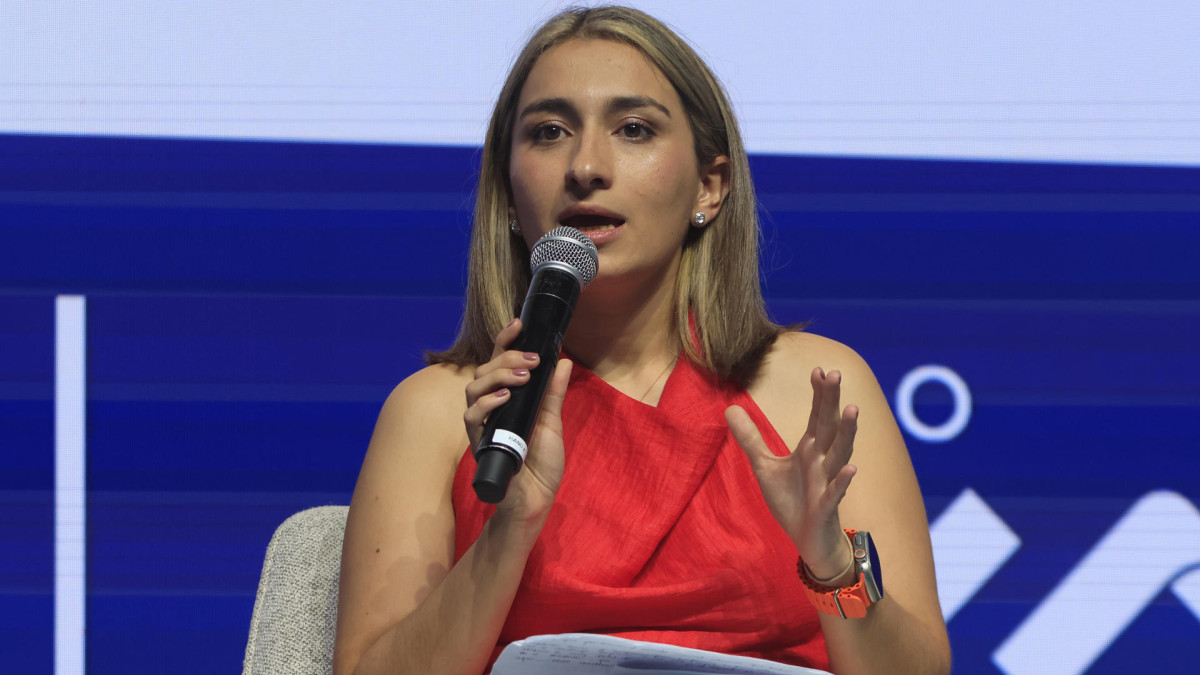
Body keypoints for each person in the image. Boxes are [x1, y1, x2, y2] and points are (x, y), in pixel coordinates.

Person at [332, 6, 950, 675]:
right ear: (509, 195)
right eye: (548, 131)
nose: (586, 165)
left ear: (709, 187)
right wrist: (508, 528)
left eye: (632, 129)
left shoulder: (814, 388)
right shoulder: (437, 412)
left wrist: (830, 563)